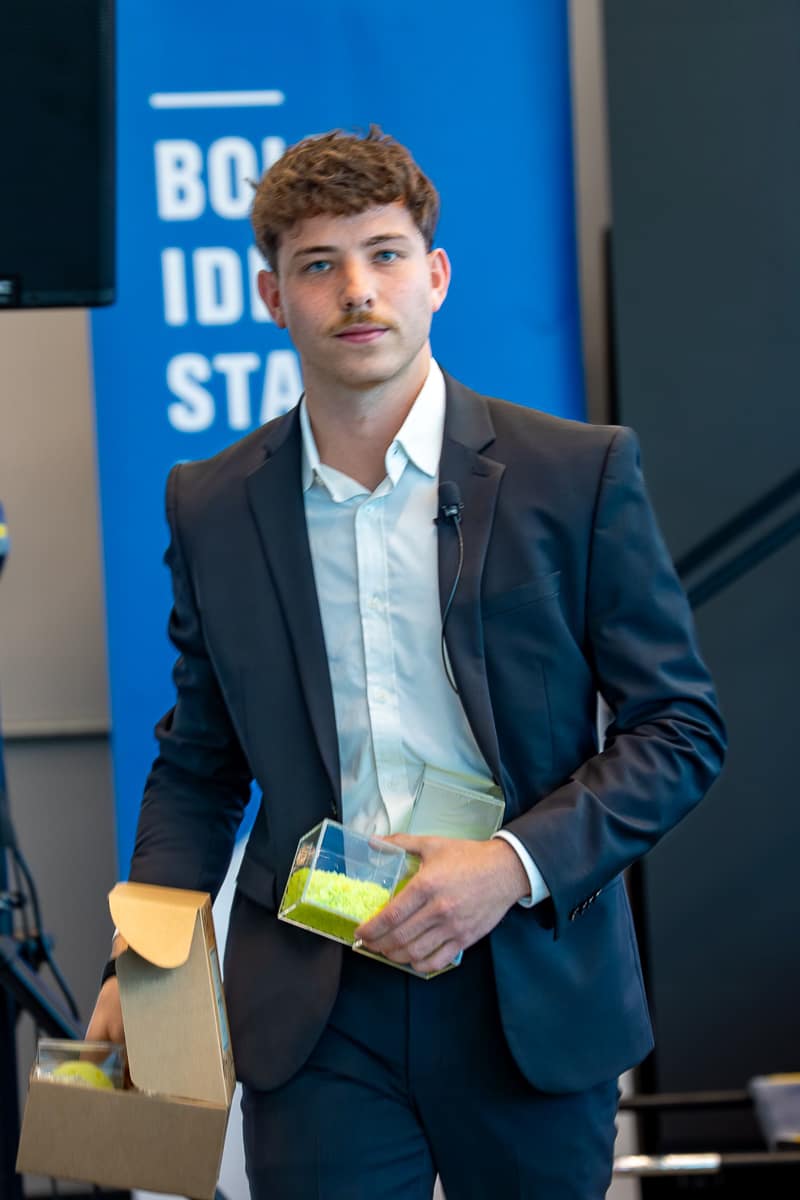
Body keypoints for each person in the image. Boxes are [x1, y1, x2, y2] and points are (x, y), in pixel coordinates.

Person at [88, 126, 725, 1198]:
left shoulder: (574, 474)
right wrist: (143, 956)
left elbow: (678, 729)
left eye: (383, 254)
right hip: (314, 1000)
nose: (356, 290)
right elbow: (198, 762)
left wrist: (507, 868)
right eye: (318, 264)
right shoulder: (210, 502)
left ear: (433, 275)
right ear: (270, 296)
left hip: (525, 980)